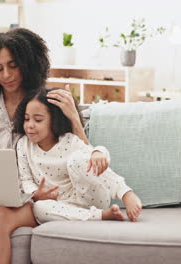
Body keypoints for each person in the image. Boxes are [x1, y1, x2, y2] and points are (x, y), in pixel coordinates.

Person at [0, 28, 88, 264]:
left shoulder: (48, 104)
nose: (6, 75)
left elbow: (87, 159)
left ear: (28, 64)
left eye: (13, 66)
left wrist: (73, 118)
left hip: (36, 198)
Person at [13, 88, 143, 224]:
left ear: (54, 121)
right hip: (63, 206)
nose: (29, 125)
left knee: (80, 158)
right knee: (39, 208)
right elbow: (26, 179)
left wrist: (98, 153)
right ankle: (101, 216)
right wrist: (36, 194)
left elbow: (92, 155)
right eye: (26, 119)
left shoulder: (69, 140)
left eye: (38, 120)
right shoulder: (23, 145)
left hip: (92, 196)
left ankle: (125, 193)